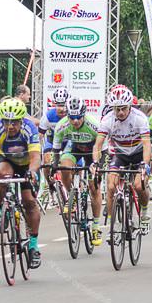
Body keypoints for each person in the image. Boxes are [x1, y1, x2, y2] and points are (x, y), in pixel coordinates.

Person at [0, 98, 43, 267]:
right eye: (6, 122)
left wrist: (32, 172)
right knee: (2, 173)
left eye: (14, 122)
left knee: (29, 202)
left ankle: (33, 246)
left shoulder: (29, 128)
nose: (10, 126)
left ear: (21, 120)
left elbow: (35, 157)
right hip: (8, 160)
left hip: (28, 164)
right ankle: (2, 210)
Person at [92, 86, 152, 234]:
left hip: (139, 154)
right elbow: (98, 145)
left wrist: (145, 164)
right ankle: (113, 226)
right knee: (111, 186)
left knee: (139, 185)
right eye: (116, 109)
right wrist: (95, 162)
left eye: (123, 109)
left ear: (130, 106)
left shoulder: (139, 118)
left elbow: (146, 144)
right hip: (120, 155)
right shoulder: (107, 120)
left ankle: (144, 214)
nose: (120, 112)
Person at [51, 97, 104, 246]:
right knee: (64, 166)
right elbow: (56, 150)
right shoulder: (62, 126)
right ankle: (72, 196)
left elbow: (103, 150)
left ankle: (95, 226)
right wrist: (54, 165)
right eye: (72, 118)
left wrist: (97, 165)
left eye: (78, 117)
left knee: (94, 187)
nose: (75, 121)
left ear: (84, 114)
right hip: (73, 149)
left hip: (93, 151)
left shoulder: (93, 124)